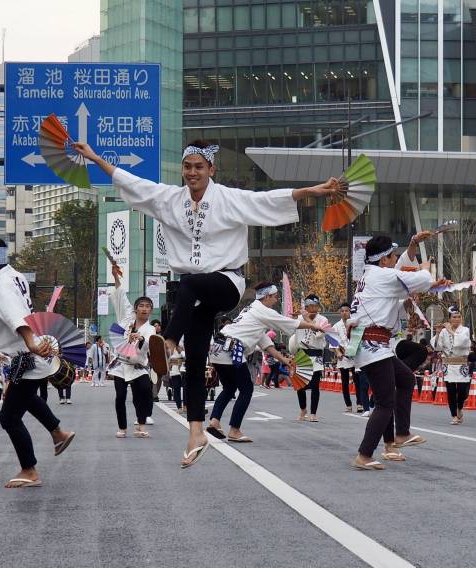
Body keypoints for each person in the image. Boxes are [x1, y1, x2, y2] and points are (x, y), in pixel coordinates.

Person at [73, 138, 340, 468]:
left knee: (189, 284)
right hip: (194, 296)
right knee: (196, 359)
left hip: (226, 283)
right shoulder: (170, 199)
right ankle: (196, 432)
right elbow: (132, 181)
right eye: (187, 167)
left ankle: (167, 342)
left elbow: (268, 200)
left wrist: (313, 191)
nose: (192, 173)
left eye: (199, 167)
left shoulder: (228, 198)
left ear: (212, 169)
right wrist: (95, 157)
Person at [0, 231, 76, 488]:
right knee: (27, 399)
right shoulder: (11, 274)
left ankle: (29, 469)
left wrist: (32, 344)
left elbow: (17, 318)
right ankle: (58, 433)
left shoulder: (1, 288)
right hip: (23, 358)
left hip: (26, 355)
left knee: (9, 417)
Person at [350, 233, 434, 470]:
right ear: (385, 259)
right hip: (373, 345)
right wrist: (426, 269)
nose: (395, 258)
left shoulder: (372, 274)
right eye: (393, 255)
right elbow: (419, 279)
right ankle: (365, 454)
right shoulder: (382, 276)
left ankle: (401, 434)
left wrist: (413, 246)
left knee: (406, 378)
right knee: (385, 402)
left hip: (376, 345)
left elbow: (399, 272)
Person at [207, 281, 320, 442]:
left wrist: (285, 361)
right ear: (266, 297)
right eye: (274, 297)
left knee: (230, 387)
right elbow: (288, 322)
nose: (276, 300)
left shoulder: (252, 312)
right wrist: (311, 325)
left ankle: (214, 421)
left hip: (218, 349)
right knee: (246, 389)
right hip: (231, 350)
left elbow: (267, 344)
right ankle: (234, 430)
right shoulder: (261, 310)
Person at [107, 262, 155, 439]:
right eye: (141, 305)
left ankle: (141, 426)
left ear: (151, 310)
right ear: (136, 309)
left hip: (137, 366)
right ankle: (122, 428)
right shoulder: (126, 316)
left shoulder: (150, 329)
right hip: (120, 364)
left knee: (143, 392)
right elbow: (121, 295)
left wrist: (140, 339)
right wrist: (115, 277)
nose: (144, 308)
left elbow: (149, 343)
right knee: (120, 396)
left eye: (147, 306)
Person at [291, 294, 329, 422]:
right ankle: (303, 409)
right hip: (302, 353)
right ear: (306, 307)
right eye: (309, 306)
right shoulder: (298, 318)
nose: (312, 309)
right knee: (300, 385)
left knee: (315, 385)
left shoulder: (323, 319)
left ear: (318, 307)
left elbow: (319, 334)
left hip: (316, 353)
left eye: (315, 306)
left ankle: (313, 413)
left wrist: (308, 320)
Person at [434, 307, 473, 425]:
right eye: (454, 317)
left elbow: (463, 342)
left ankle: (459, 407)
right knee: (450, 391)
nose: (457, 319)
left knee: (462, 391)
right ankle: (454, 415)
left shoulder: (465, 330)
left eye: (459, 317)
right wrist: (438, 333)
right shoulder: (444, 331)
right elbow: (437, 347)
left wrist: (450, 330)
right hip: (449, 364)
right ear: (449, 318)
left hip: (461, 363)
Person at [334, 302, 357, 413]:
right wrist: (338, 351)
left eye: (346, 311)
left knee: (358, 380)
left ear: (350, 312)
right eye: (342, 311)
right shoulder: (336, 326)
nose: (344, 313)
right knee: (345, 381)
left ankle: (360, 403)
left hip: (355, 355)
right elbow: (332, 342)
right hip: (343, 355)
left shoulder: (355, 323)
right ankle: (348, 404)